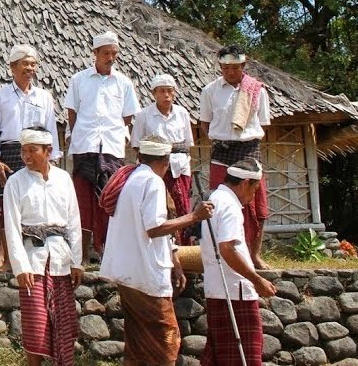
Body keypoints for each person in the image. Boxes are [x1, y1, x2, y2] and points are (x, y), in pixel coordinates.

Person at [99, 135, 214, 366]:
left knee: (138, 342)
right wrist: (194, 216)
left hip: (129, 273)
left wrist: (175, 261)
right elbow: (154, 228)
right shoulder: (152, 182)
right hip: (145, 276)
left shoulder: (130, 179)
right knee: (167, 342)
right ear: (165, 161)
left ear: (141, 157)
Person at [3, 127, 82, 366]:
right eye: (24, 151)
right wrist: (20, 266)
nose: (26, 156)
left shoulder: (63, 179)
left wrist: (77, 262)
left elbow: (74, 222)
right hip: (32, 260)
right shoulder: (15, 182)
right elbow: (12, 227)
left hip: (60, 258)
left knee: (63, 319)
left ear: (48, 151)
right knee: (35, 322)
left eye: (32, 150)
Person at [63, 30, 137, 260]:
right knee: (83, 201)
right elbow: (72, 112)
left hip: (112, 148)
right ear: (95, 53)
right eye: (106, 53)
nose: (110, 57)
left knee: (110, 199)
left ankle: (106, 251)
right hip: (85, 145)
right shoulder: (79, 80)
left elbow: (128, 116)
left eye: (114, 53)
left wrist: (113, 129)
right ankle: (82, 253)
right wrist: (79, 134)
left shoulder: (123, 83)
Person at [0, 44, 61, 271]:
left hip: (38, 152)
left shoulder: (44, 97)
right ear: (12, 67)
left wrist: (53, 158)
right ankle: (4, 253)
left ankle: (32, 252)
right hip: (9, 152)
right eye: (24, 64)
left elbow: (51, 129)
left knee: (33, 201)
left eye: (33, 64)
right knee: (5, 206)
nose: (29, 68)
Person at [199, 45, 272, 269]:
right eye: (226, 67)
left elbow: (263, 124)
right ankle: (220, 252)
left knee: (257, 204)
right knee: (218, 202)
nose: (230, 72)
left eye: (235, 67)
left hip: (249, 149)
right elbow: (205, 123)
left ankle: (254, 254)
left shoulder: (257, 91)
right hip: (221, 151)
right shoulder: (209, 91)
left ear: (243, 66)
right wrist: (222, 137)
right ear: (220, 67)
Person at [201, 159, 277, 366]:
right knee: (246, 356)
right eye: (255, 190)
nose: (254, 197)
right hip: (235, 291)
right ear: (245, 183)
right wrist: (257, 279)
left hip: (217, 289)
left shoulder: (215, 198)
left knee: (220, 356)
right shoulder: (230, 206)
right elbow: (227, 248)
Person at [131, 74, 196, 244]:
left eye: (169, 91)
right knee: (159, 209)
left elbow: (187, 144)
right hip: (155, 170)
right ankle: (163, 249)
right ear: (154, 94)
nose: (166, 95)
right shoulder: (144, 115)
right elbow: (137, 145)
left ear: (174, 93)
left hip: (179, 168)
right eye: (161, 91)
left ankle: (184, 252)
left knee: (182, 208)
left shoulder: (182, 113)